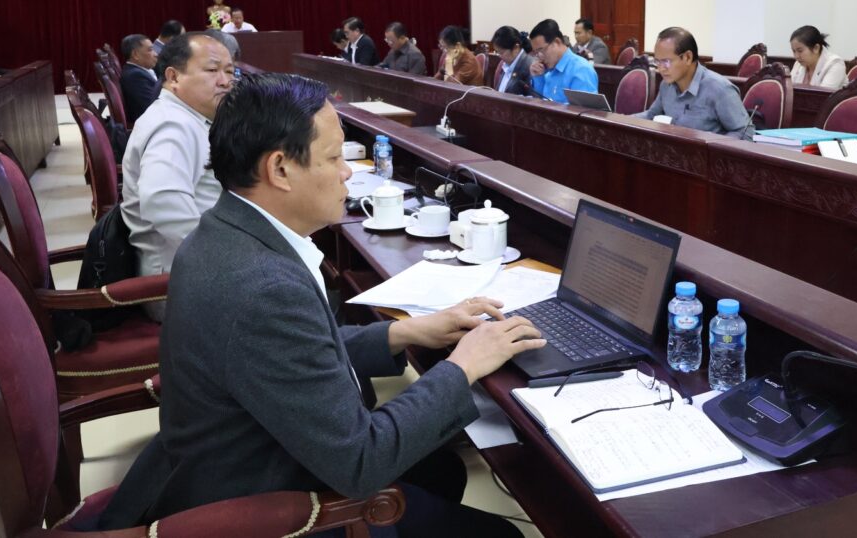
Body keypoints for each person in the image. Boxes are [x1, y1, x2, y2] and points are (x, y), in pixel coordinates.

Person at [99, 73, 543, 537]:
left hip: (245, 449)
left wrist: (405, 332)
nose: (347, 172)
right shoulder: (264, 287)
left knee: (442, 470)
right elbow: (361, 462)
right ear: (280, 169)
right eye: (333, 157)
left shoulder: (226, 231)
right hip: (265, 498)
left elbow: (292, 354)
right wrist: (464, 365)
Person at [121, 33, 235, 321]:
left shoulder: (187, 117)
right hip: (178, 282)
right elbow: (162, 201)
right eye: (212, 70)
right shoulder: (173, 125)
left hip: (193, 266)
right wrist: (231, 258)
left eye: (230, 71)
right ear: (173, 77)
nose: (225, 81)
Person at [633, 27, 753, 139]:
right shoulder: (666, 85)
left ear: (687, 57)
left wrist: (713, 146)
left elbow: (745, 132)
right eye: (657, 62)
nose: (660, 69)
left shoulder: (719, 89)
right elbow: (651, 116)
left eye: (666, 62)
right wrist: (623, 120)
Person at [527, 19, 598, 103]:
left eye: (541, 50)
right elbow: (540, 103)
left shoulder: (581, 70)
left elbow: (582, 109)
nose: (539, 56)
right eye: (536, 53)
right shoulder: (548, 72)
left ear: (557, 42)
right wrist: (538, 77)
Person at [119, 33, 159, 123]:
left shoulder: (136, 71)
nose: (156, 54)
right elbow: (153, 107)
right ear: (135, 55)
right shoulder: (135, 76)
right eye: (150, 50)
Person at [491, 26, 534, 95]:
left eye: (501, 52)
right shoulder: (505, 64)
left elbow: (533, 97)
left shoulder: (530, 66)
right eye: (497, 52)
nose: (499, 56)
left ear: (516, 48)